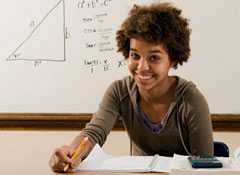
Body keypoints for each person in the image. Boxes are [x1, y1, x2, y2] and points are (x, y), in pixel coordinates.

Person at [49, 2, 213, 172]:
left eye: (154, 58)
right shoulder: (119, 91)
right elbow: (93, 133)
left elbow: (206, 167)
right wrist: (70, 152)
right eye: (135, 55)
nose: (141, 67)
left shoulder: (191, 100)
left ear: (172, 59)